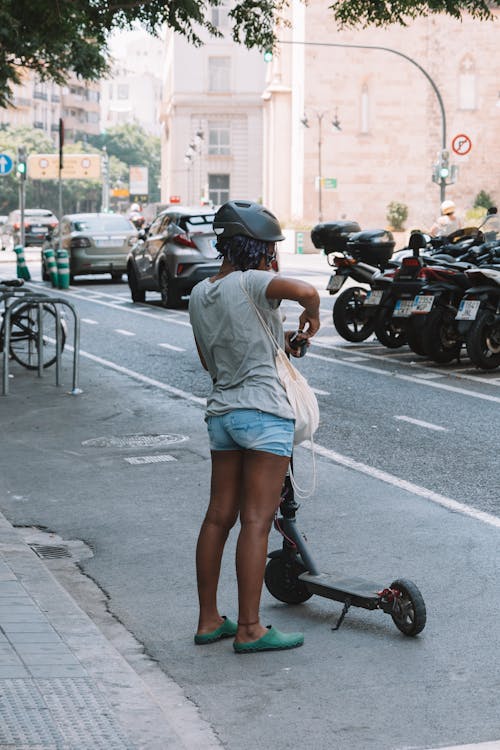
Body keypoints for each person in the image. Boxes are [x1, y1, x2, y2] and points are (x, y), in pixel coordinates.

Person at [188, 200, 320, 654]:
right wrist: (314, 315)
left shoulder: (200, 292)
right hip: (264, 414)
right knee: (258, 521)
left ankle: (209, 621)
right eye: (270, 249)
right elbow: (306, 291)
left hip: (222, 414)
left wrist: (283, 341)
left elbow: (211, 359)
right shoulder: (255, 281)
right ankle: (249, 628)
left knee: (217, 517)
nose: (272, 258)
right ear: (257, 249)